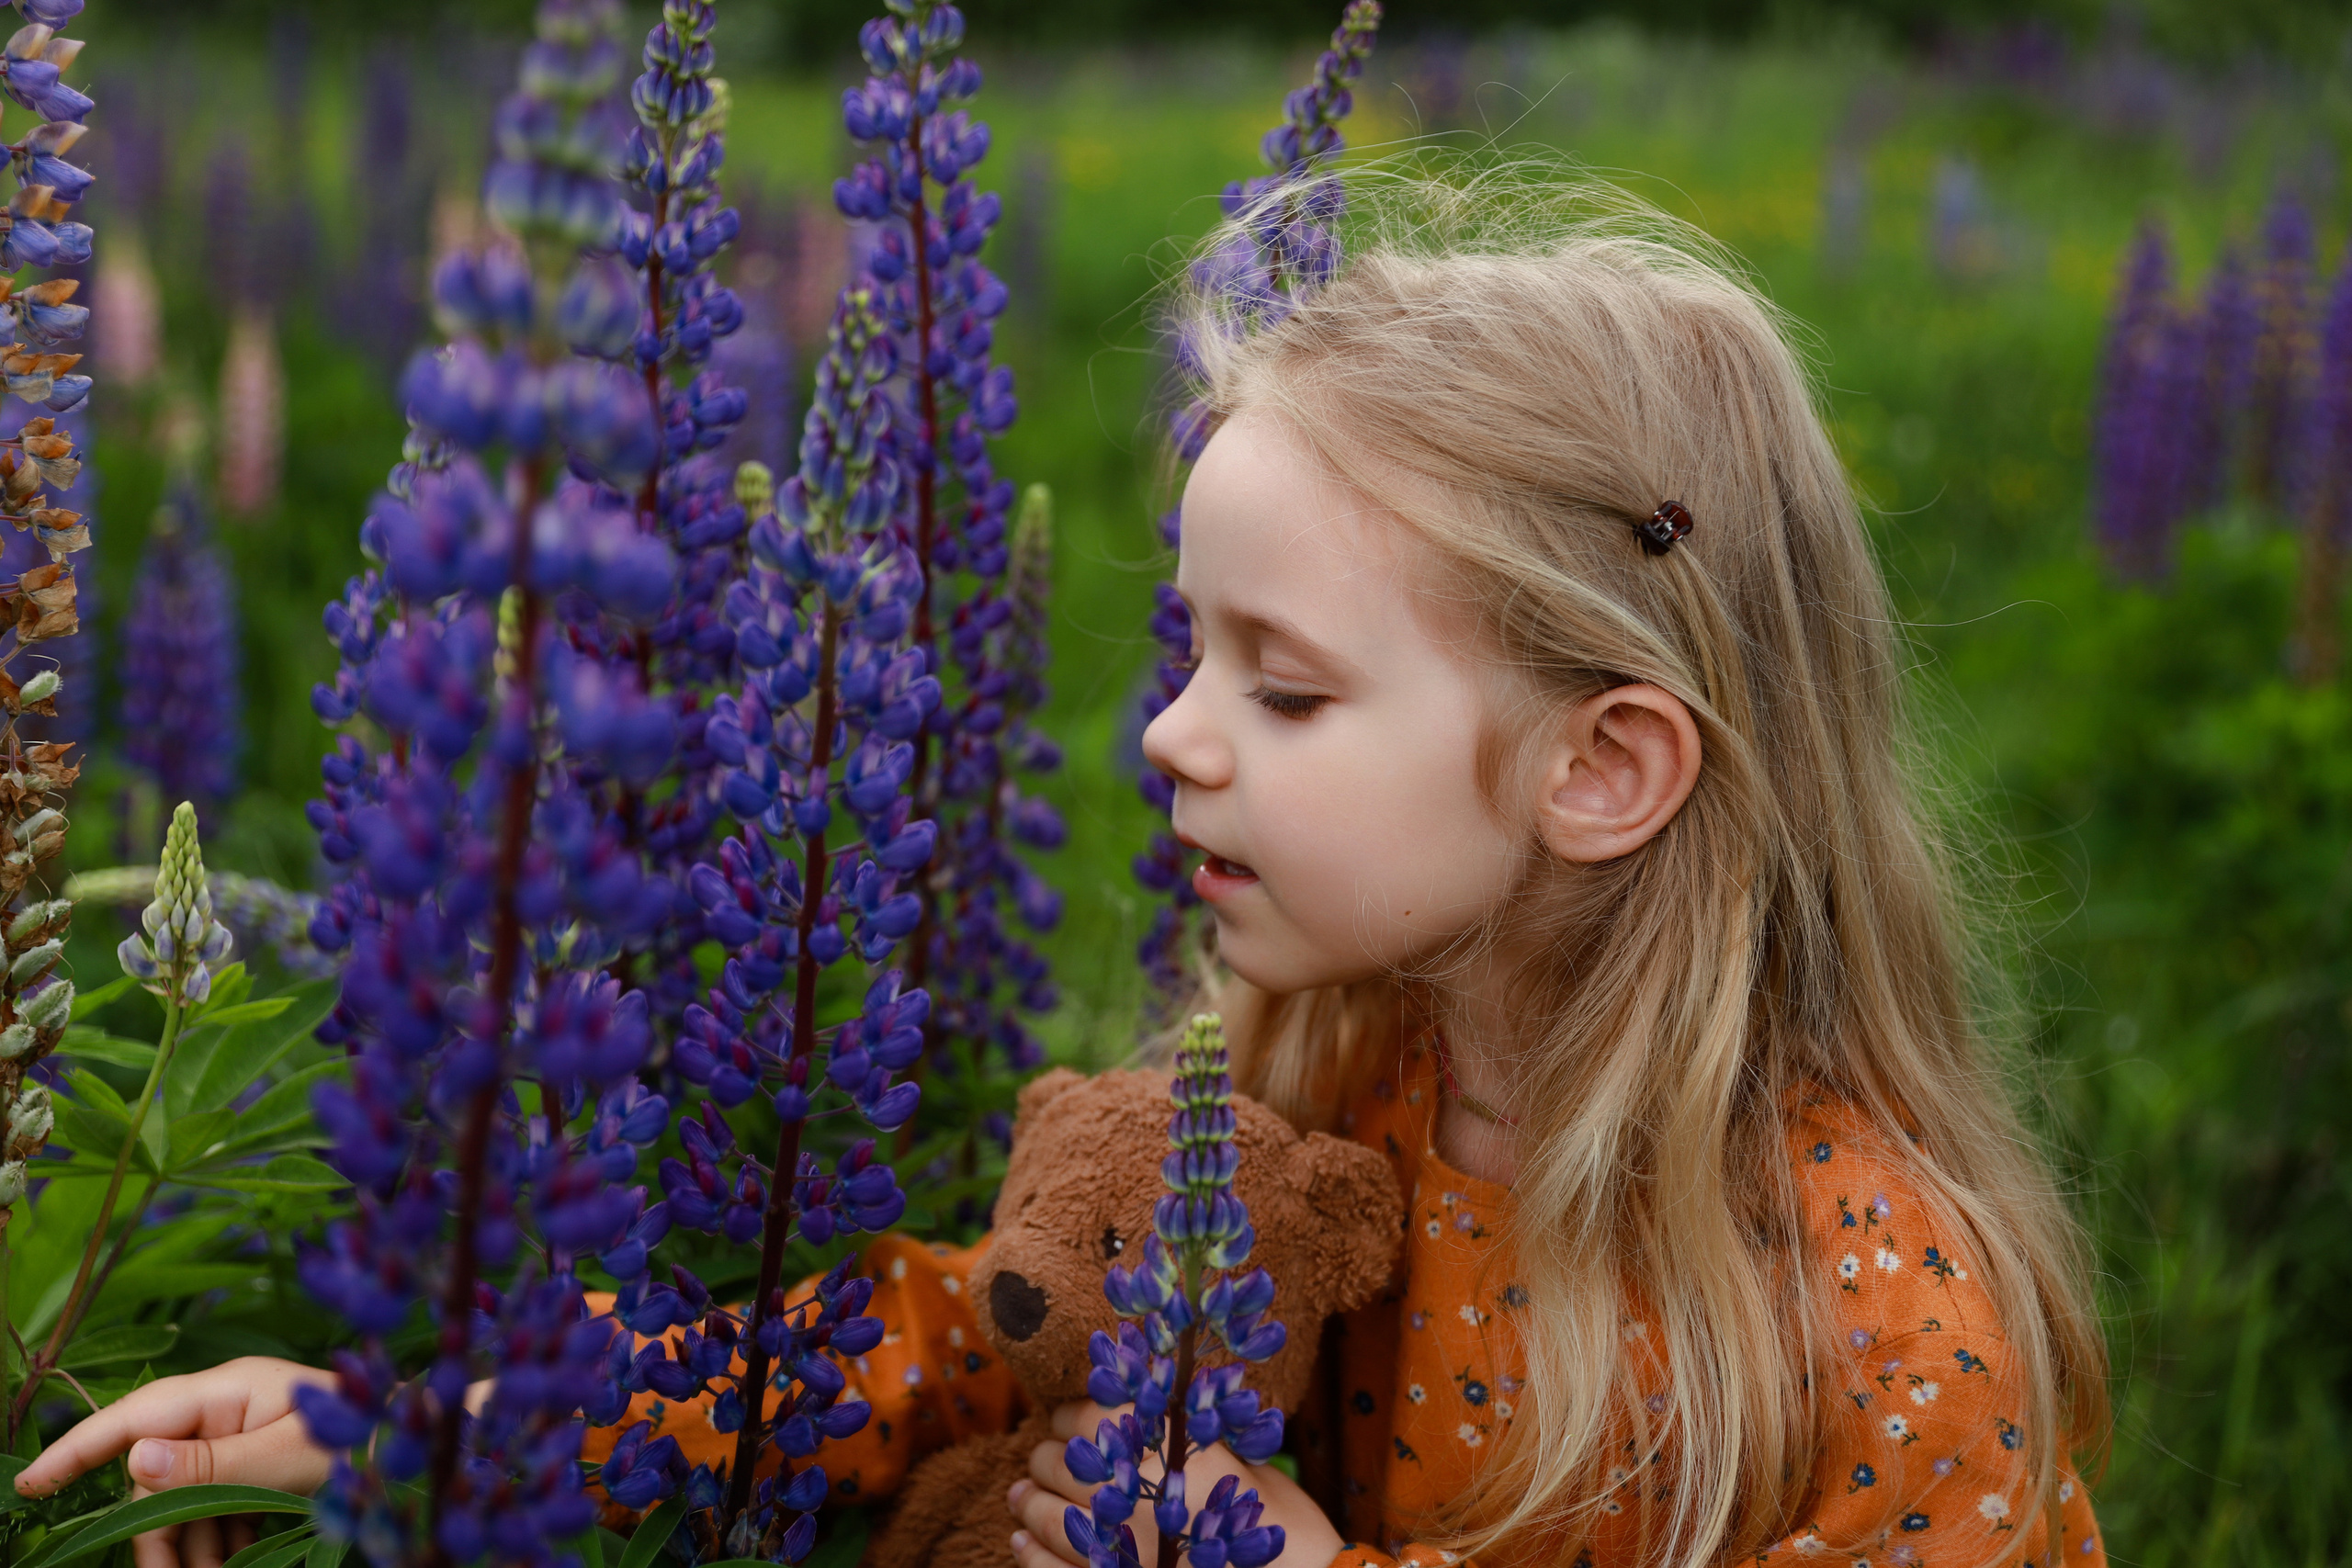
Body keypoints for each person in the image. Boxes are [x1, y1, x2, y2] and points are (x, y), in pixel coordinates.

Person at [15, 167, 2109, 1568]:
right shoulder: (1333, 1085)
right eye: (1186, 652)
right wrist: (437, 1409)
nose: (1167, 735)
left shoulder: (1870, 1303)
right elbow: (944, 1335)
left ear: (1603, 767)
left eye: (1280, 690)